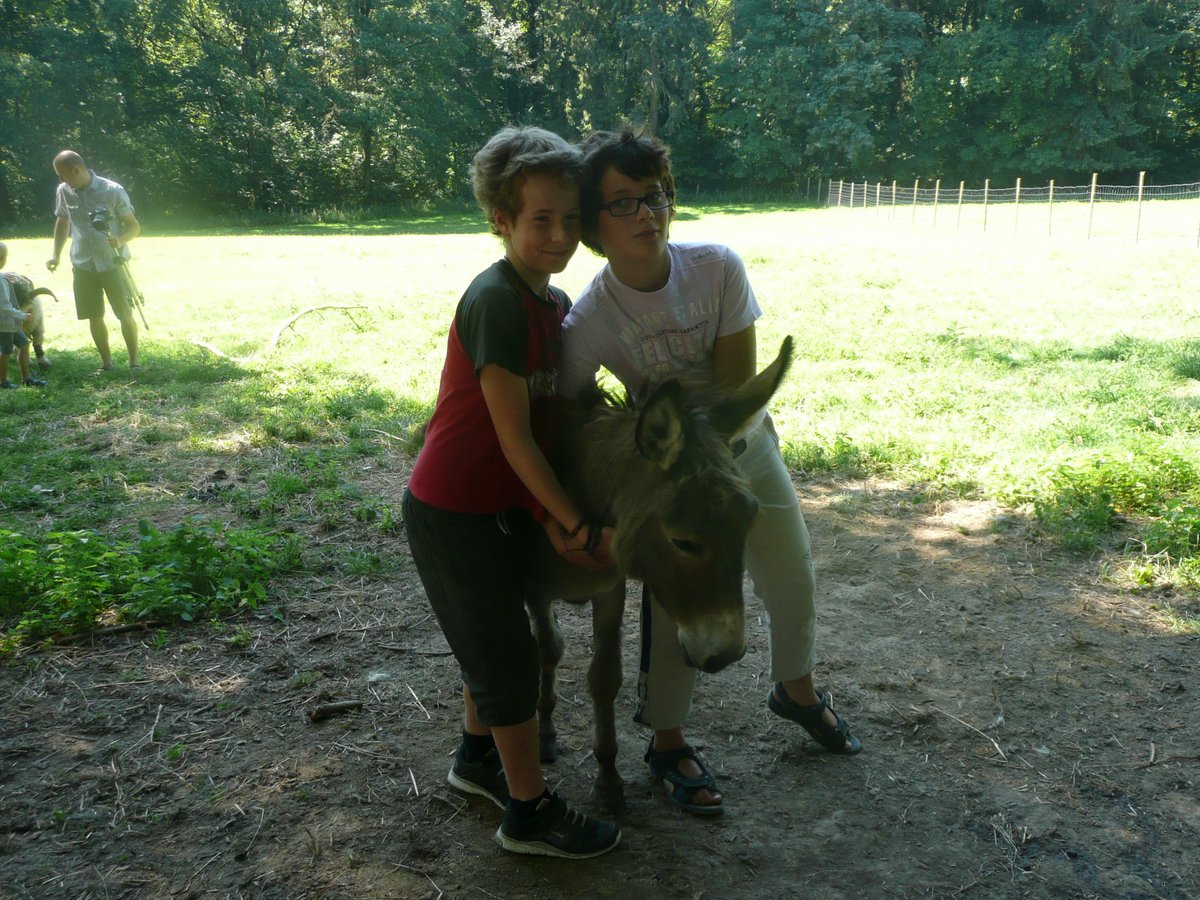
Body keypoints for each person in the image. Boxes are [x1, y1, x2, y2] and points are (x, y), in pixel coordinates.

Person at [559, 127, 862, 817]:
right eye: (624, 202)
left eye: (656, 195)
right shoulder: (590, 320)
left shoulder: (717, 267)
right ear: (594, 226)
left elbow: (733, 392)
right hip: (664, 470)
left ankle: (796, 690)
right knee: (674, 595)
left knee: (791, 572)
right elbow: (568, 408)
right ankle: (668, 741)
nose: (647, 213)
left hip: (738, 449)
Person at [401, 126, 621, 859]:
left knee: (493, 641)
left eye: (571, 219)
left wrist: (542, 511)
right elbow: (514, 438)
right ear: (501, 219)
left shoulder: (551, 301)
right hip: (453, 512)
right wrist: (575, 523)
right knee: (506, 661)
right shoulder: (496, 300)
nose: (559, 236)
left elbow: (551, 422)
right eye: (540, 220)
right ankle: (528, 812)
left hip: (500, 506)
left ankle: (477, 759)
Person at [46, 150, 141, 372]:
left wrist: (120, 240)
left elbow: (134, 226)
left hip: (113, 262)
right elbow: (62, 222)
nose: (61, 180)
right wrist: (56, 255)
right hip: (82, 264)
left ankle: (134, 362)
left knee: (124, 313)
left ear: (76, 170)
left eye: (63, 174)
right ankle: (107, 364)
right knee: (93, 315)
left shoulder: (112, 190)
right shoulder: (64, 191)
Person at [0, 242, 47, 389]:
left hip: (12, 324)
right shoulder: (1, 281)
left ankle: (26, 378)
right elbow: (5, 307)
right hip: (5, 324)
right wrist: (23, 316)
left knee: (24, 344)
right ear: (3, 258)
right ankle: (3, 381)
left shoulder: (3, 278)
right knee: (5, 351)